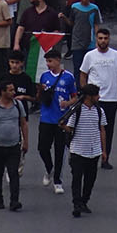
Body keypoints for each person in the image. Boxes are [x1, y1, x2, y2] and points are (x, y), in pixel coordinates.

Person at [77, 28, 117, 169]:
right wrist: (85, 92)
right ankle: (90, 155)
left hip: (111, 99)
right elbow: (83, 74)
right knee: (93, 128)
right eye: (100, 38)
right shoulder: (90, 56)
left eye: (105, 38)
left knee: (108, 129)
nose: (103, 41)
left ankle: (105, 157)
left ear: (109, 39)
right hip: (94, 99)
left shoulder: (116, 55)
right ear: (96, 39)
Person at [0, 79, 27, 211]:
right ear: (3, 92)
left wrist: (25, 141)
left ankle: (14, 201)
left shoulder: (18, 105)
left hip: (13, 146)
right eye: (10, 90)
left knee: (14, 173)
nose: (13, 92)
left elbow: (23, 123)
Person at [35, 50, 76, 194]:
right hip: (46, 118)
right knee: (42, 148)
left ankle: (58, 181)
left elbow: (75, 97)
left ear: (58, 60)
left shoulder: (68, 77)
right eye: (47, 62)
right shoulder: (44, 76)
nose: (48, 64)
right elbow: (39, 96)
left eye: (50, 61)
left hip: (61, 120)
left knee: (60, 151)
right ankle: (49, 168)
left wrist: (67, 103)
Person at [64, 82, 107, 217]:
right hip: (78, 150)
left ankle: (84, 200)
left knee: (90, 179)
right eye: (96, 95)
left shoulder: (99, 111)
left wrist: (104, 150)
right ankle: (77, 204)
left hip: (94, 151)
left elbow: (102, 130)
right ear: (89, 96)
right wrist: (63, 126)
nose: (98, 97)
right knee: (77, 178)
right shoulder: (76, 110)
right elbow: (69, 127)